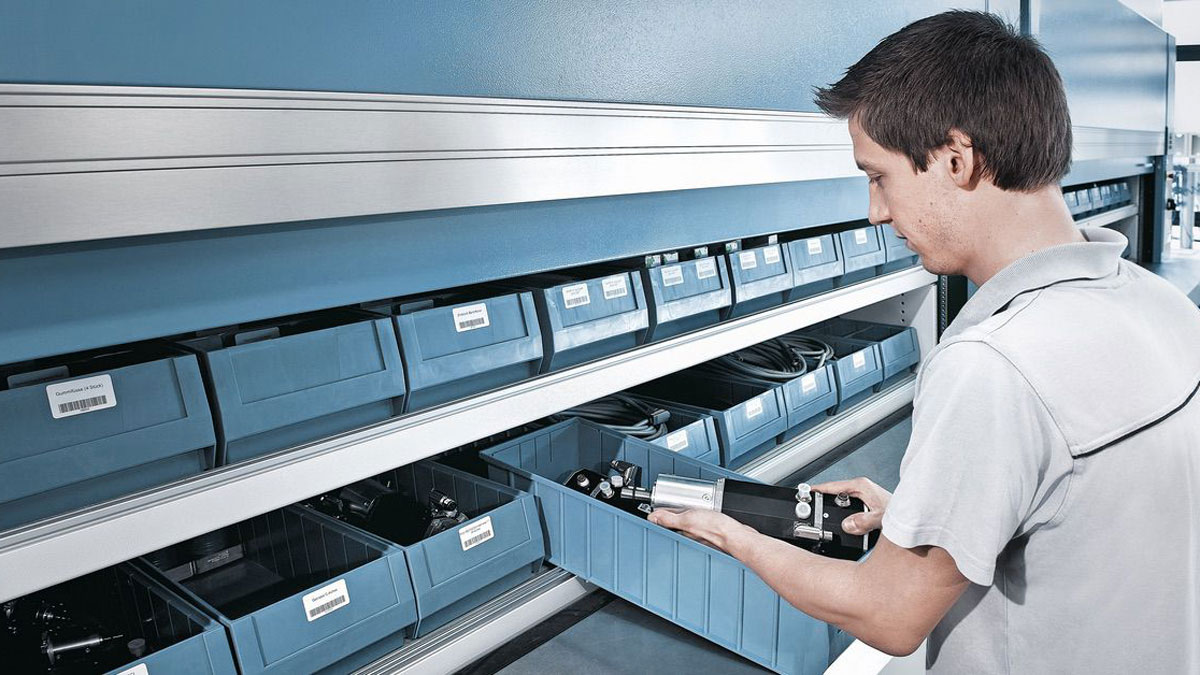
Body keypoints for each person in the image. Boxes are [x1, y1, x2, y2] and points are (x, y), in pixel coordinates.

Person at [649, 10, 1200, 673]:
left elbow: (889, 613)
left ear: (956, 159)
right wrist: (931, 516)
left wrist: (734, 536)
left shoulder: (995, 366)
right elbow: (1081, 511)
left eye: (879, 175)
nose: (875, 211)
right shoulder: (1160, 304)